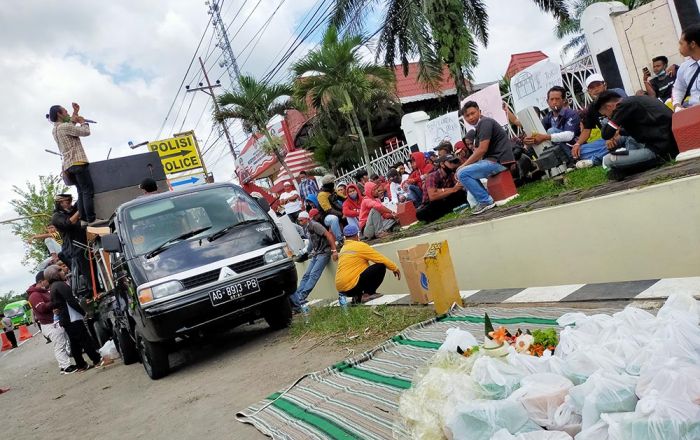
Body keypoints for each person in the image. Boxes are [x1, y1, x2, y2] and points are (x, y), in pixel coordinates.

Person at [595, 91, 678, 179]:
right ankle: (630, 164)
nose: (607, 117)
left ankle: (631, 166)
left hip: (659, 150)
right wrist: (619, 132)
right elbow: (642, 129)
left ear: (609, 107)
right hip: (666, 142)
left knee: (608, 159)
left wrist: (610, 122)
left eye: (605, 115)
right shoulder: (633, 101)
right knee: (630, 139)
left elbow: (606, 134)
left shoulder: (623, 106)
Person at [456, 101, 515, 215]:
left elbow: (482, 149)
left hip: (499, 161)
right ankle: (484, 199)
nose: (471, 117)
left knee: (463, 173)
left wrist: (463, 165)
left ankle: (486, 201)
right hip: (494, 161)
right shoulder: (479, 127)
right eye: (467, 116)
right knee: (465, 172)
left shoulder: (485, 122)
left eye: (473, 113)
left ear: (479, 111)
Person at [48, 103, 99, 224]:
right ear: (59, 114)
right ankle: (91, 218)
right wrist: (83, 122)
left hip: (69, 165)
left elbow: (70, 125)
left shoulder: (55, 129)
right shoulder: (64, 127)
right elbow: (85, 132)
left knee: (81, 192)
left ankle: (84, 219)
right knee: (87, 191)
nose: (67, 114)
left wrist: (75, 112)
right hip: (78, 161)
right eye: (65, 112)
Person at [45, 265, 102, 371]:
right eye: (60, 270)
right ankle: (97, 359)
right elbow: (71, 301)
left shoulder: (53, 286)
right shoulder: (60, 285)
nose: (63, 272)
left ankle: (81, 365)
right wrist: (83, 312)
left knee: (75, 343)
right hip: (72, 318)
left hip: (66, 319)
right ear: (54, 274)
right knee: (85, 339)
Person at [571, 73, 635, 167]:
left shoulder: (616, 93)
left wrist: (614, 135)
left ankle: (595, 160)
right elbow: (587, 129)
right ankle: (616, 152)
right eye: (591, 87)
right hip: (607, 139)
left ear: (605, 85)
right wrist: (577, 144)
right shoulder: (592, 107)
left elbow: (625, 115)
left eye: (598, 85)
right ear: (588, 91)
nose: (596, 89)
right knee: (582, 150)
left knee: (618, 140)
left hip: (624, 132)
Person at [521, 86, 585, 167]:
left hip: (575, 147)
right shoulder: (547, 118)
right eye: (551, 99)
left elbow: (569, 135)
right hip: (559, 149)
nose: (554, 102)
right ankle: (548, 165)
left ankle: (572, 160)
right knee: (538, 138)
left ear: (563, 100)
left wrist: (545, 137)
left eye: (557, 99)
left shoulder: (570, 113)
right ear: (547, 101)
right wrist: (527, 141)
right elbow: (538, 135)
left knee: (551, 132)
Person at [335, 224, 401, 304]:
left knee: (359, 270)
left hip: (342, 289)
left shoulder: (343, 249)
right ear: (357, 235)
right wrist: (394, 268)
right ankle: (368, 294)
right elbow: (380, 259)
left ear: (345, 237)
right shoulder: (360, 246)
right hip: (352, 286)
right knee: (380, 266)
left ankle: (358, 297)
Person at [27, 272, 76, 374]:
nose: (48, 282)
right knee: (60, 345)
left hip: (53, 322)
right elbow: (42, 308)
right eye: (46, 280)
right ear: (41, 281)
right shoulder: (34, 295)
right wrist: (55, 303)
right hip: (49, 324)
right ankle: (66, 367)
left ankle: (64, 366)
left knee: (61, 343)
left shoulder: (43, 291)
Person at [289, 211, 338, 311]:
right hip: (317, 253)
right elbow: (311, 242)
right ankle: (298, 297)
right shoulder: (306, 227)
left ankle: (302, 296)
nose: (300, 222)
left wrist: (334, 251)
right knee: (307, 275)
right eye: (299, 221)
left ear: (307, 219)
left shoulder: (315, 225)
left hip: (324, 252)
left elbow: (329, 236)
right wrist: (305, 252)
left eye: (301, 220)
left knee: (313, 275)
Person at [51, 194, 91, 291]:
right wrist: (79, 212)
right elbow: (68, 223)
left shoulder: (71, 210)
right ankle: (92, 288)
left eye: (70, 202)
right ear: (60, 203)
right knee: (87, 271)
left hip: (85, 243)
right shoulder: (56, 217)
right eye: (67, 202)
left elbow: (81, 200)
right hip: (75, 248)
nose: (70, 204)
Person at [672, 24, 700, 110]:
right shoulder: (684, 68)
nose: (679, 48)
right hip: (692, 115)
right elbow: (678, 89)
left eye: (681, 43)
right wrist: (677, 105)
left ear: (692, 44)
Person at [316, 175, 344, 242]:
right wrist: (342, 214)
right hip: (326, 216)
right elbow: (328, 210)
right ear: (329, 184)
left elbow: (343, 198)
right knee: (333, 218)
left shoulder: (332, 191)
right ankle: (340, 239)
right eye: (333, 182)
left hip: (337, 212)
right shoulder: (321, 195)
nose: (334, 184)